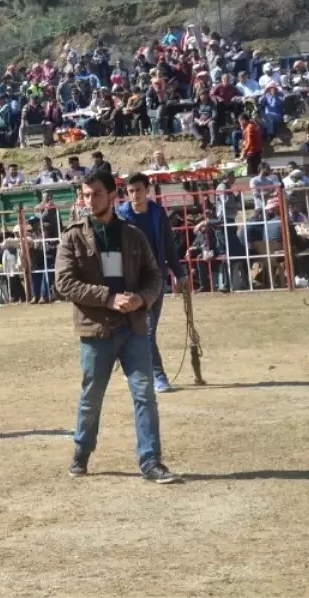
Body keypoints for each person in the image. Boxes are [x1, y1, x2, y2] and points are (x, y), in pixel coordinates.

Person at [55, 170, 181, 484]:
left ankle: (151, 462)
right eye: (85, 194)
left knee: (144, 395)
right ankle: (81, 452)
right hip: (96, 329)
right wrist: (108, 298)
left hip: (134, 326)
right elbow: (65, 283)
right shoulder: (72, 236)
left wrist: (141, 299)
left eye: (96, 193)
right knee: (91, 397)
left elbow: (155, 275)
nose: (89, 200)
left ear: (113, 195)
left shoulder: (133, 234)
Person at [117, 173, 189, 393]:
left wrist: (180, 274)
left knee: (148, 329)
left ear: (147, 190)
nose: (135, 195)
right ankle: (140, 369)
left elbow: (168, 245)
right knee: (132, 328)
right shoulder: (121, 216)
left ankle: (158, 376)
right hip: (129, 281)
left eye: (138, 190)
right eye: (131, 191)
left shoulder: (158, 214)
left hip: (154, 279)